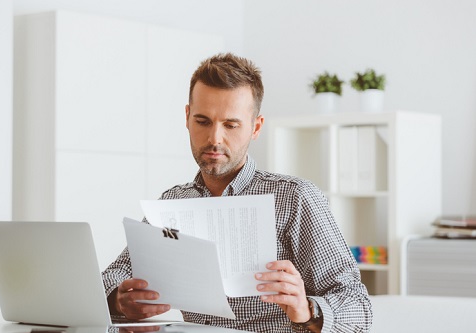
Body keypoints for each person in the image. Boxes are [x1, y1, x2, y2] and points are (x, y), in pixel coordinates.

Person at [102, 53, 373, 333]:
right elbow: (112, 276)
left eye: (231, 125)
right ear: (187, 118)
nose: (214, 139)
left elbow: (359, 309)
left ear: (256, 127)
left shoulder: (295, 198)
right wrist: (119, 300)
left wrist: (308, 311)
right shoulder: (173, 202)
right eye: (203, 121)